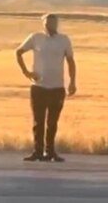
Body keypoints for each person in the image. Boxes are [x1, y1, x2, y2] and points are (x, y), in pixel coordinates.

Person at [15, 14, 76, 162]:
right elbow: (18, 52)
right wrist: (26, 72)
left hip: (57, 87)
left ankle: (50, 152)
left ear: (57, 24)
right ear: (43, 24)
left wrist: (72, 82)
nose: (51, 26)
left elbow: (70, 61)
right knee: (38, 121)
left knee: (52, 122)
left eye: (54, 23)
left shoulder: (64, 40)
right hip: (39, 87)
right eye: (48, 23)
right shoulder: (36, 38)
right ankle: (37, 151)